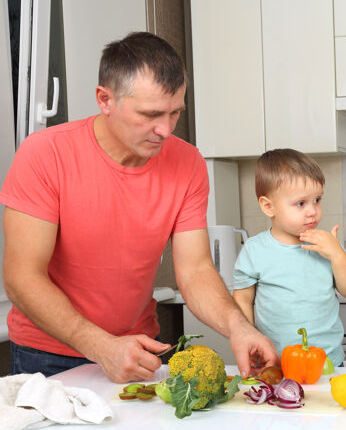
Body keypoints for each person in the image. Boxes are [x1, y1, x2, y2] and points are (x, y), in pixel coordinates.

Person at [0, 32, 279, 382]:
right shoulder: (45, 154)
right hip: (49, 356)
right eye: (150, 114)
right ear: (105, 99)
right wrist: (101, 346)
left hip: (143, 348)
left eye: (174, 113)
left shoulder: (187, 162)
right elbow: (22, 277)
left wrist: (238, 327)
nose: (164, 130)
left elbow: (195, 271)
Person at [232, 148, 346, 366]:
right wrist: (250, 339)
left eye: (317, 200)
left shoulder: (329, 244)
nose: (312, 211)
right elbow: (243, 300)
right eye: (301, 203)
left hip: (328, 362)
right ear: (268, 206)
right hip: (275, 361)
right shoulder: (255, 250)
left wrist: (337, 255)